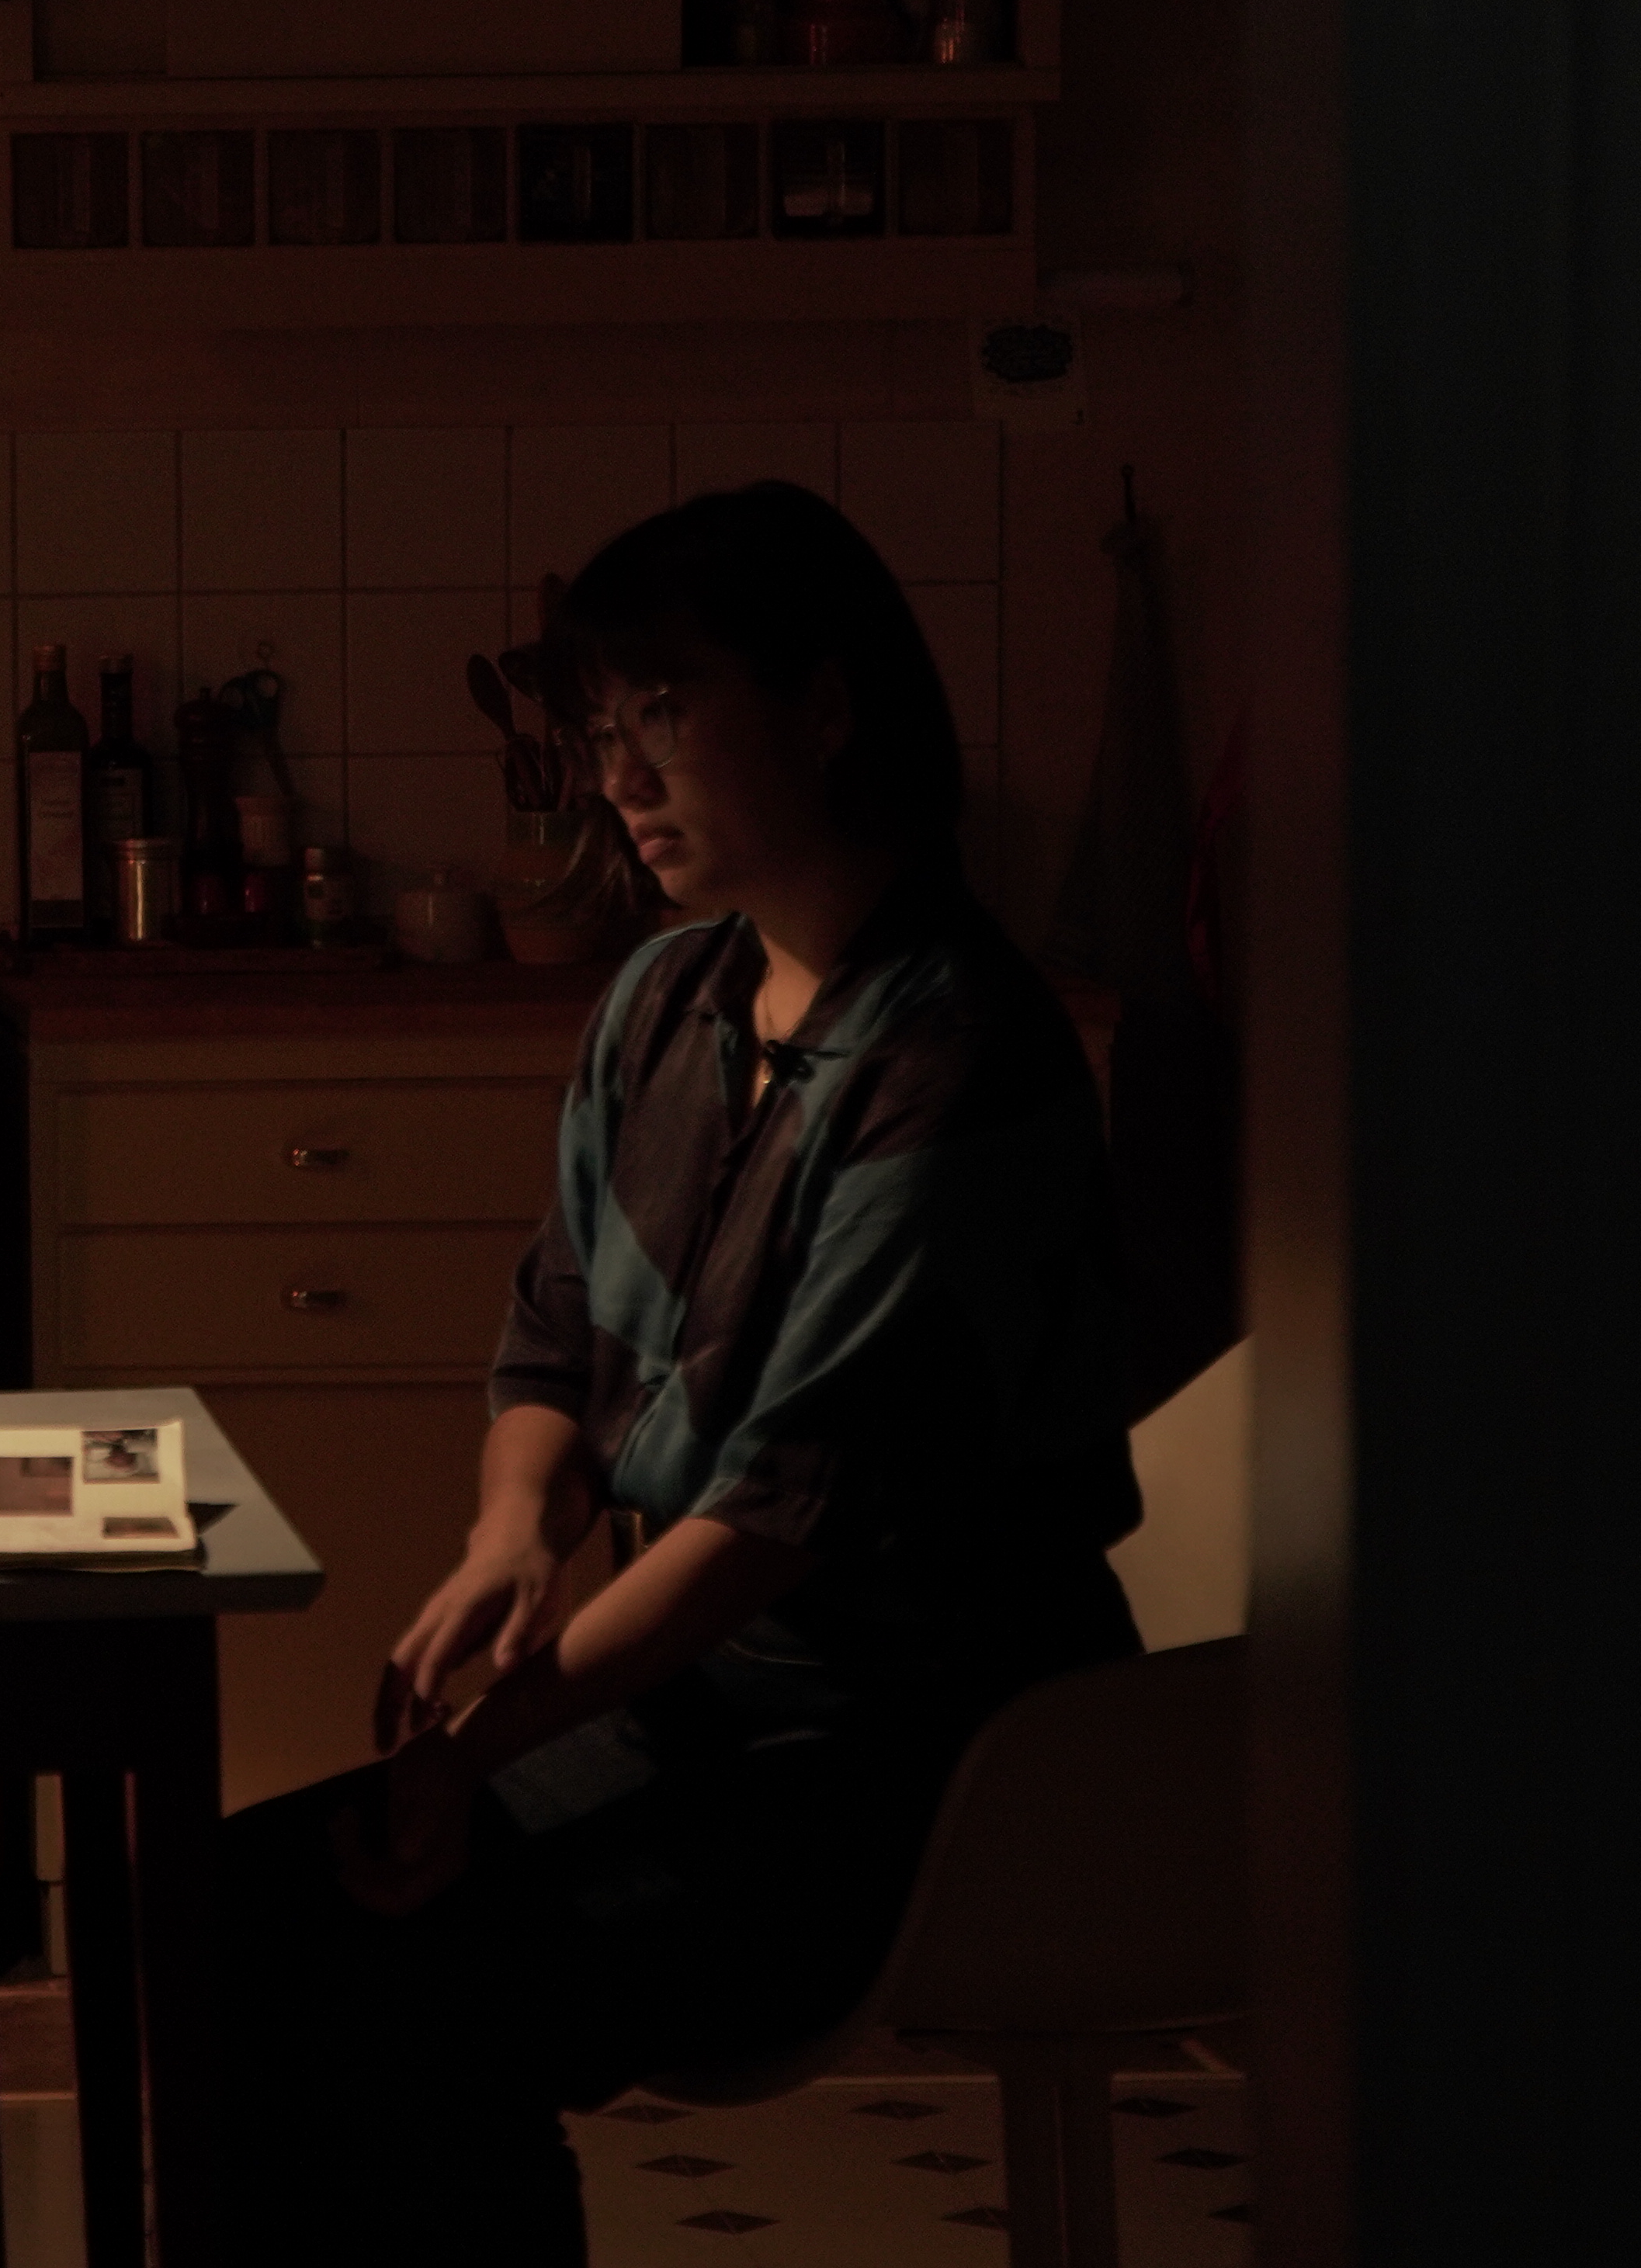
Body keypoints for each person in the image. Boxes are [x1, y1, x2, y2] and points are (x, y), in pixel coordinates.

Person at [214, 484, 1147, 2262]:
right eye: (599, 727)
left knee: (420, 1991)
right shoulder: (664, 1000)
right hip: (703, 1709)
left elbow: (777, 1513)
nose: (616, 775)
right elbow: (558, 1331)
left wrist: (479, 1742)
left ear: (826, 705)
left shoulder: (956, 1053)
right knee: (232, 1913)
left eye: (663, 709)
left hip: (929, 1757)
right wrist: (513, 1532)